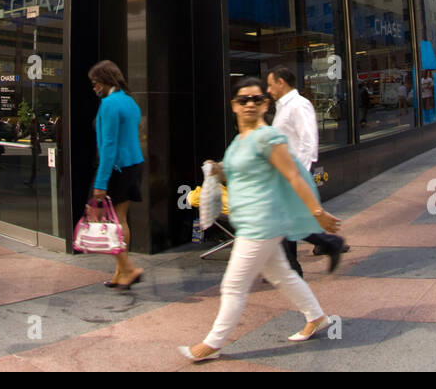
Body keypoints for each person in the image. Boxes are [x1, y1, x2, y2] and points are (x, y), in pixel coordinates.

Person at [179, 76, 341, 362]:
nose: (250, 104)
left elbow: (292, 175)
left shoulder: (268, 137)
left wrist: (318, 213)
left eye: (257, 99)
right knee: (283, 275)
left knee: (232, 286)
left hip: (261, 223)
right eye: (244, 100)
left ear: (266, 104)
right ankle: (316, 316)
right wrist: (218, 170)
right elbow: (239, 174)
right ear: (234, 106)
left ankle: (212, 343)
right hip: (251, 221)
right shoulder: (241, 139)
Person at [267, 66, 348, 275]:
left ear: (281, 82)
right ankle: (323, 247)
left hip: (293, 174)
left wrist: (298, 175)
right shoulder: (283, 106)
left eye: (270, 84)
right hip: (285, 174)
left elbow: (308, 142)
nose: (268, 89)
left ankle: (296, 265)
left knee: (283, 220)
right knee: (287, 220)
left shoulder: (298, 105)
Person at [88, 60, 144, 289]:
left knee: (98, 217)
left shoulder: (109, 104)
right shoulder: (130, 101)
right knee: (120, 220)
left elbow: (109, 146)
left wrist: (100, 183)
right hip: (134, 164)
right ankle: (120, 273)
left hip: (115, 168)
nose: (93, 88)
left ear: (103, 81)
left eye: (94, 83)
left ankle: (128, 268)